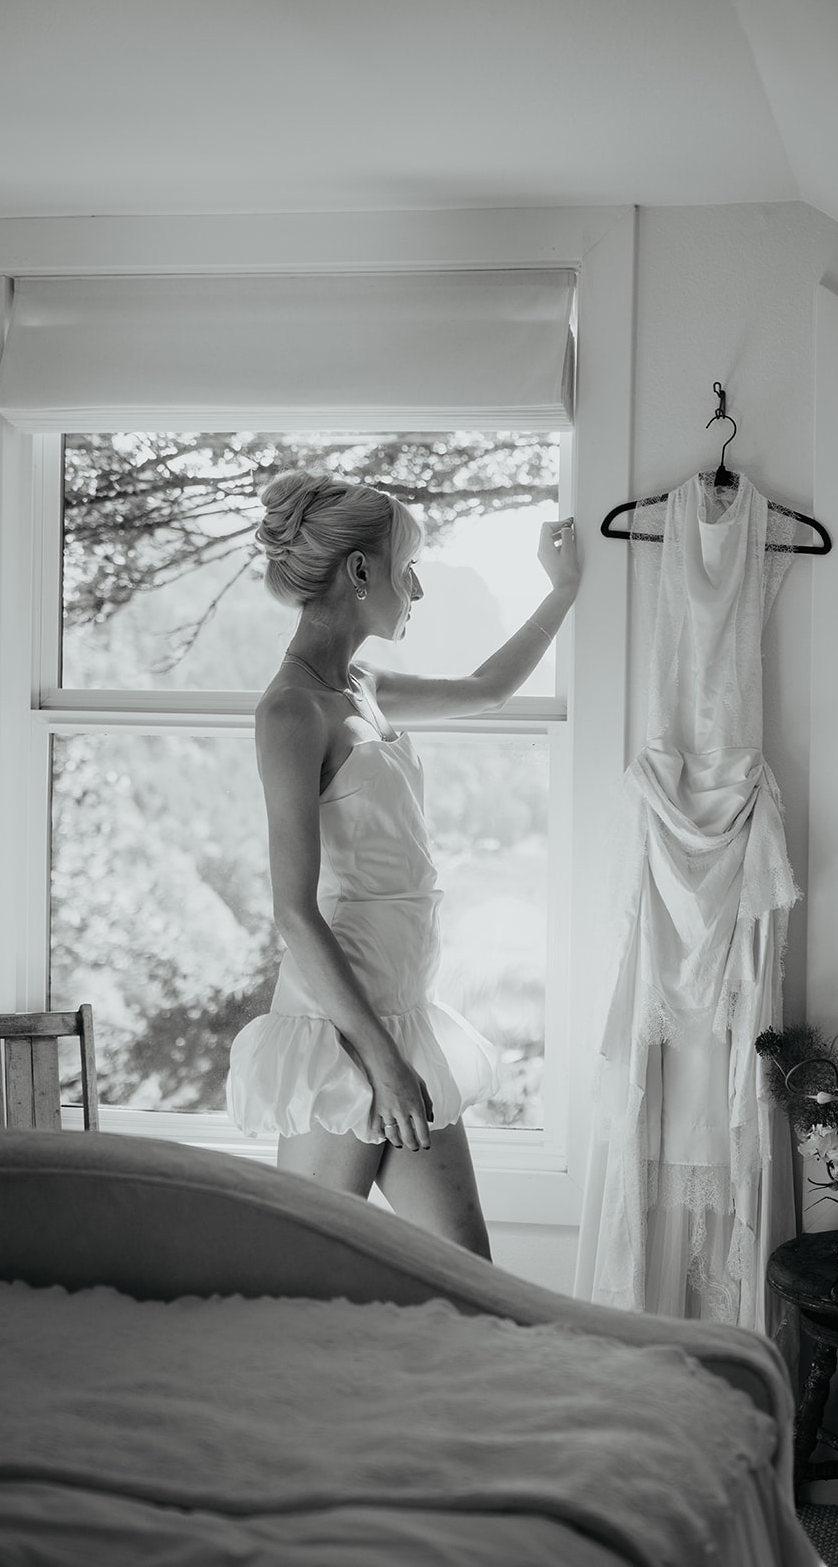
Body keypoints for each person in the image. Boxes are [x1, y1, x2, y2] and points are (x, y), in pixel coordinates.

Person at [226, 471, 580, 1259]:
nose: (415, 587)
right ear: (359, 572)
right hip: (341, 1033)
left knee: (469, 1280)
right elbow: (293, 911)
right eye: (405, 566)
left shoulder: (362, 688)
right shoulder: (290, 712)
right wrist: (382, 1065)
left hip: (404, 1017)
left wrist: (561, 590)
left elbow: (487, 689)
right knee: (299, 1288)